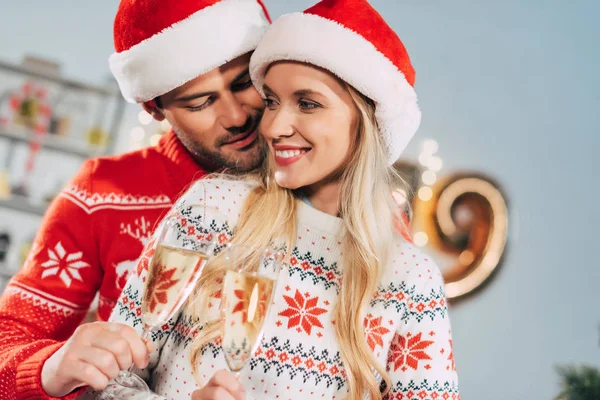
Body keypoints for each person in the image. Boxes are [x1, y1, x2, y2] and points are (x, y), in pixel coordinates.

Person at [85, 0, 460, 399]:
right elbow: (109, 376)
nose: (274, 125)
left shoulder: (410, 280)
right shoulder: (212, 211)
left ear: (367, 120)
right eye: (272, 100)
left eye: (308, 103)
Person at [0, 0, 272, 398]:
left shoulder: (332, 187)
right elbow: (11, 336)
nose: (235, 115)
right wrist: (50, 367)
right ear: (155, 106)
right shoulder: (105, 192)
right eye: (200, 102)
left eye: (244, 82)